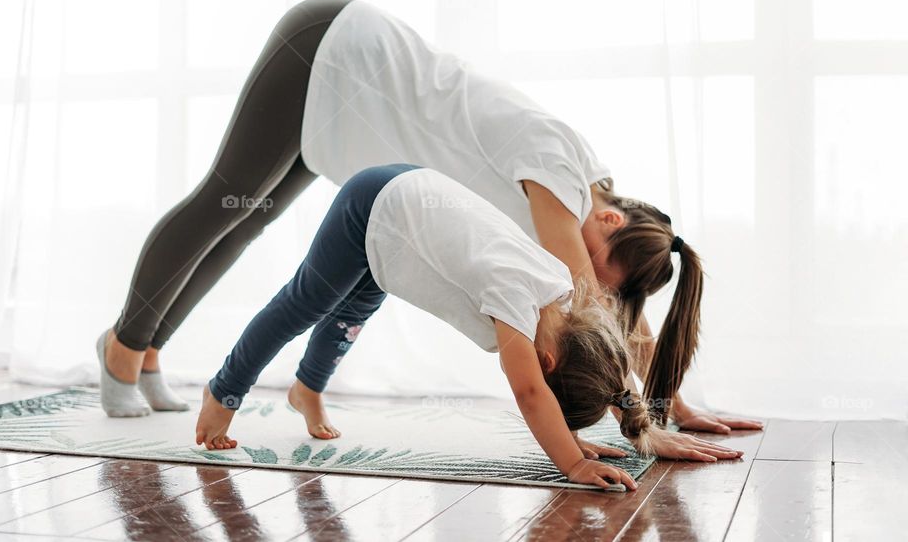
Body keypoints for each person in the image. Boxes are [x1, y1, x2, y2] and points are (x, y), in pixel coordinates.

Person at [99, 0, 761, 436]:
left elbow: (613, 314)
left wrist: (669, 404)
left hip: (351, 118)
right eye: (596, 263)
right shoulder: (563, 175)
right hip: (333, 51)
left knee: (245, 221)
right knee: (224, 201)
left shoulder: (577, 214)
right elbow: (594, 305)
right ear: (611, 220)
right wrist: (647, 421)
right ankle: (123, 352)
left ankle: (149, 352)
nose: (584, 273)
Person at [193, 164, 744, 491]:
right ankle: (225, 389)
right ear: (549, 362)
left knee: (352, 312)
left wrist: (628, 424)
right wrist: (570, 460)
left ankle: (305, 390)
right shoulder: (514, 296)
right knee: (307, 303)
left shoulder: (560, 290)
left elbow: (605, 365)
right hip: (375, 204)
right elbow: (530, 392)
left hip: (403, 227)